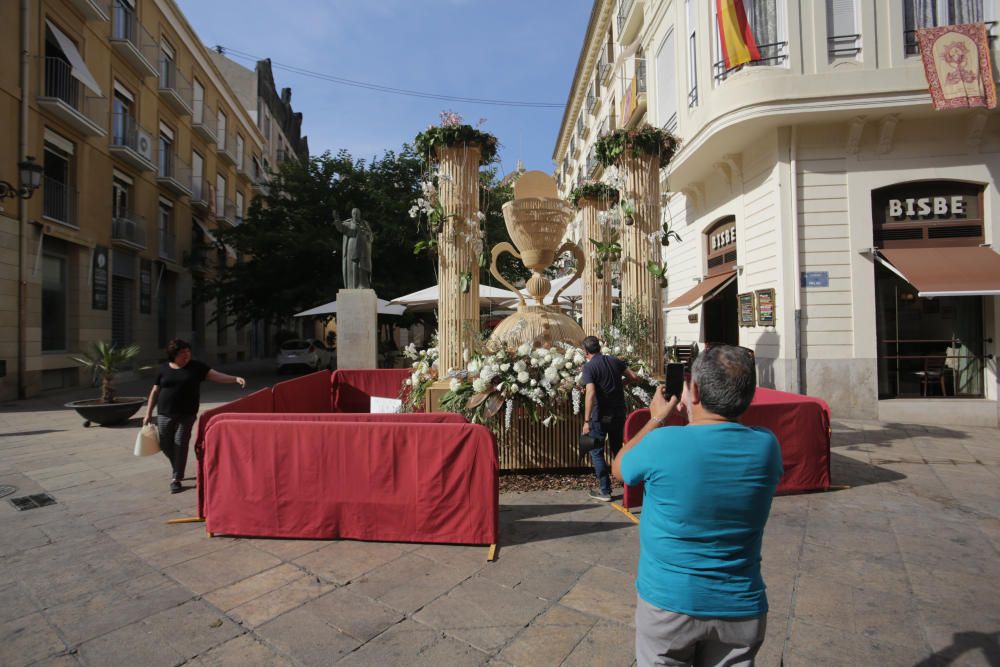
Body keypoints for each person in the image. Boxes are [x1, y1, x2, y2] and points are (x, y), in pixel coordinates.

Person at [612, 345, 782, 667]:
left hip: (669, 603)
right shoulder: (766, 446)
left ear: (696, 392)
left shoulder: (664, 442)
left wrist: (657, 418)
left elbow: (621, 468)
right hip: (740, 605)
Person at [142, 339, 246, 494]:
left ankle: (176, 478)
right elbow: (155, 392)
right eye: (183, 352)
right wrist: (148, 413)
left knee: (181, 443)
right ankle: (177, 466)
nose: (187, 354)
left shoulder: (196, 367)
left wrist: (234, 379)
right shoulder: (163, 369)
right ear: (174, 354)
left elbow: (216, 376)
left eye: (188, 351)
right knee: (164, 444)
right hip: (164, 413)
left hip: (187, 414)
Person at [580, 335, 640, 502]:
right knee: (618, 450)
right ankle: (630, 487)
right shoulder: (615, 361)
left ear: (585, 352)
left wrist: (586, 421)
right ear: (599, 347)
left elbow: (590, 393)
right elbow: (634, 377)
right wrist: (621, 385)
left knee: (597, 451)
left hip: (600, 416)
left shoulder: (590, 367)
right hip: (618, 414)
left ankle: (605, 490)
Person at [332, 208, 373, 290]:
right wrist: (336, 219)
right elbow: (340, 227)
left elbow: (371, 236)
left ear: (360, 214)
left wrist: (367, 233)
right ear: (352, 214)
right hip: (352, 246)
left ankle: (363, 285)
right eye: (354, 213)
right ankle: (353, 285)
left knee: (362, 266)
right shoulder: (348, 223)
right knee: (353, 266)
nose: (356, 215)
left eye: (357, 213)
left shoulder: (365, 223)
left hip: (363, 249)